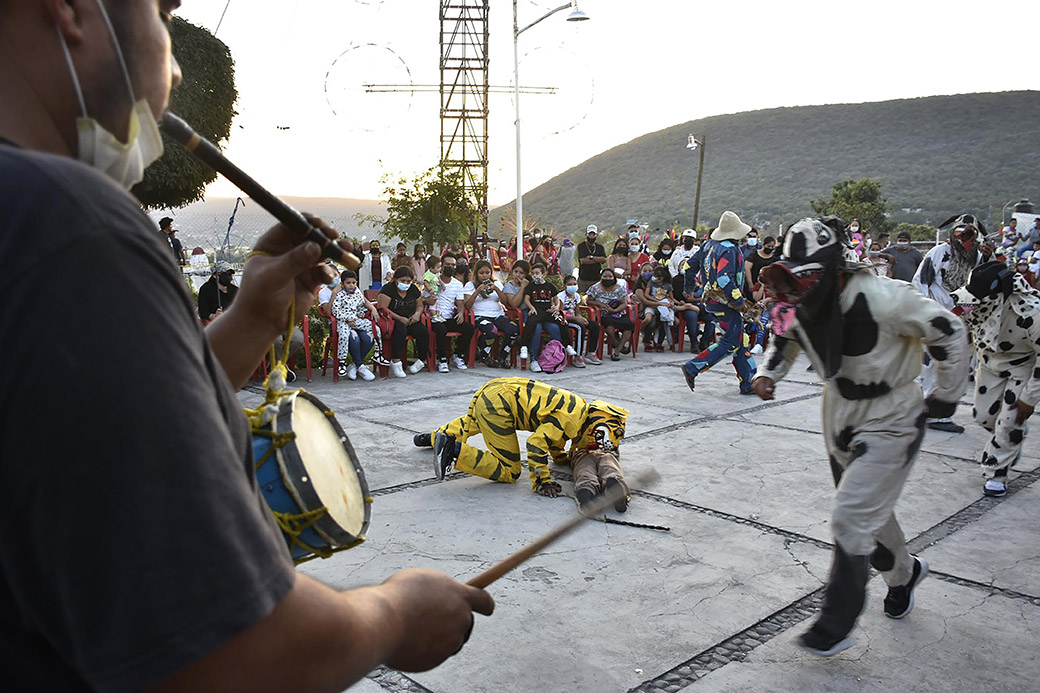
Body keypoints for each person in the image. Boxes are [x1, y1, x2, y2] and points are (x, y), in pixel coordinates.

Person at [0, 1, 491, 690]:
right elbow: (229, 652)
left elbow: (76, 428)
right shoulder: (69, 226)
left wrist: (252, 318)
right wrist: (393, 614)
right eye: (162, 12)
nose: (170, 60)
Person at [753, 217, 968, 657]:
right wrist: (766, 373)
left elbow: (951, 331)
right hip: (838, 411)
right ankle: (904, 574)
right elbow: (783, 337)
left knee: (850, 516)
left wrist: (945, 396)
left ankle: (836, 622)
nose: (800, 285)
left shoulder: (886, 298)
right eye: (795, 273)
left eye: (810, 273)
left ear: (834, 268)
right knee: (868, 513)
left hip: (892, 414)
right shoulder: (798, 299)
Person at [413, 378, 629, 499]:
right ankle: (454, 451)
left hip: (494, 390)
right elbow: (536, 443)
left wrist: (560, 456)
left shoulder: (579, 407)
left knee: (473, 422)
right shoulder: (572, 419)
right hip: (501, 406)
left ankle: (433, 438)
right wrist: (543, 480)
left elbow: (554, 436)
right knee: (510, 470)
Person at [953, 262, 1040, 498]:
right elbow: (956, 327)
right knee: (983, 417)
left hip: (1022, 365)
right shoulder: (972, 301)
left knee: (1009, 420)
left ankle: (997, 474)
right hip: (989, 362)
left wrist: (1029, 399)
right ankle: (1011, 438)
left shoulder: (1031, 312)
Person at [912, 213, 993, 432]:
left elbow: (982, 282)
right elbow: (920, 282)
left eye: (969, 235)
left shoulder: (975, 257)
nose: (964, 238)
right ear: (953, 233)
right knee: (929, 364)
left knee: (954, 367)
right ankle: (926, 412)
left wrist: (987, 258)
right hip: (936, 317)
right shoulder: (938, 253)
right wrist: (926, 313)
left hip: (961, 320)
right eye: (960, 233)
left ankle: (938, 413)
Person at [681, 211, 758, 395]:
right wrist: (739, 301)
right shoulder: (729, 249)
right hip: (725, 303)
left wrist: (689, 287)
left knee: (741, 340)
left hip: (710, 300)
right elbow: (724, 279)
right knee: (732, 341)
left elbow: (688, 266)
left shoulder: (708, 245)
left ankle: (748, 382)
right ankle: (693, 367)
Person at [519, 262, 576, 372]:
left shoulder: (549, 286)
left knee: (562, 321)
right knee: (531, 323)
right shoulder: (531, 286)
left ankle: (567, 345)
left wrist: (556, 307)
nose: (535, 276)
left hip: (548, 311)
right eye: (533, 273)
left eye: (537, 273)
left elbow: (556, 299)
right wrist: (531, 307)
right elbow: (526, 299)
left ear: (544, 274)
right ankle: (524, 347)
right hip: (537, 310)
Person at [378, 267, 430, 378]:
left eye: (408, 281)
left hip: (410, 319)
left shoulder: (413, 289)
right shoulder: (388, 289)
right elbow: (382, 308)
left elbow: (420, 305)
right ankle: (396, 360)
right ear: (396, 279)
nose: (405, 284)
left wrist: (417, 314)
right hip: (392, 320)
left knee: (423, 331)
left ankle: (421, 359)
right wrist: (399, 318)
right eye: (402, 281)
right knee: (400, 329)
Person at [326, 269, 378, 381]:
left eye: (353, 283)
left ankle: (354, 366)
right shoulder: (337, 294)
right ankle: (360, 366)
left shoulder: (356, 292)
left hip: (357, 322)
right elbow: (330, 312)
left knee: (369, 336)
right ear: (342, 283)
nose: (351, 285)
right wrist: (334, 294)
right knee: (353, 338)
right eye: (348, 283)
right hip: (343, 324)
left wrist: (370, 310)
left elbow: (362, 304)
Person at [465, 260, 518, 368]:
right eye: (481, 273)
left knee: (513, 329)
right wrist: (477, 291)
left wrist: (497, 289)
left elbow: (505, 302)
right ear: (476, 273)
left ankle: (502, 357)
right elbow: (467, 305)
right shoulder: (470, 285)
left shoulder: (496, 283)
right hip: (480, 315)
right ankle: (484, 356)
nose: (485, 276)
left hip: (497, 315)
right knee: (491, 331)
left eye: (487, 272)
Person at [427, 253, 472, 373]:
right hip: (435, 318)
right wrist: (427, 300)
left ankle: (458, 355)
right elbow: (422, 299)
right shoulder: (432, 281)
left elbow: (460, 303)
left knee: (469, 328)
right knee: (441, 329)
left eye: (453, 265)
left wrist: (461, 313)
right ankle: (442, 360)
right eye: (447, 265)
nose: (450, 267)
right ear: (441, 266)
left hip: (449, 317)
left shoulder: (457, 284)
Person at [586, 267, 635, 361]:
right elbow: (589, 301)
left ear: (614, 277)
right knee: (609, 326)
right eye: (605, 276)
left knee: (629, 325)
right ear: (601, 277)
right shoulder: (595, 288)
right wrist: (599, 304)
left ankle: (617, 350)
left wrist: (614, 310)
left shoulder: (620, 288)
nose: (607, 278)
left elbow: (624, 303)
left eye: (610, 276)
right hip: (603, 314)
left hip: (618, 313)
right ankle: (615, 342)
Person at [558, 274, 602, 366]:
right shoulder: (561, 297)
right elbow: (560, 314)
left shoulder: (576, 296)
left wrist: (581, 318)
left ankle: (591, 353)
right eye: (570, 284)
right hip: (564, 320)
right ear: (564, 286)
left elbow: (577, 311)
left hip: (575, 318)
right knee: (579, 327)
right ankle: (577, 356)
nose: (572, 286)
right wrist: (576, 318)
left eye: (574, 284)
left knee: (595, 326)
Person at [635, 262, 674, 351]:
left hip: (661, 307)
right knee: (651, 321)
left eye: (650, 271)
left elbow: (670, 297)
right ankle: (647, 341)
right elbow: (645, 301)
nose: (648, 273)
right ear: (640, 272)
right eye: (645, 271)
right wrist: (660, 303)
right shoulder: (640, 285)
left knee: (665, 320)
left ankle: (659, 343)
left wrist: (670, 303)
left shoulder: (664, 285)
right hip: (645, 309)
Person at [576, 224, 607, 293]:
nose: (592, 236)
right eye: (590, 234)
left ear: (596, 235)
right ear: (586, 235)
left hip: (596, 279)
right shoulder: (581, 246)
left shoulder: (600, 247)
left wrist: (591, 257)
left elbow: (604, 260)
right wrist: (597, 260)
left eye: (593, 234)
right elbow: (583, 261)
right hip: (583, 279)